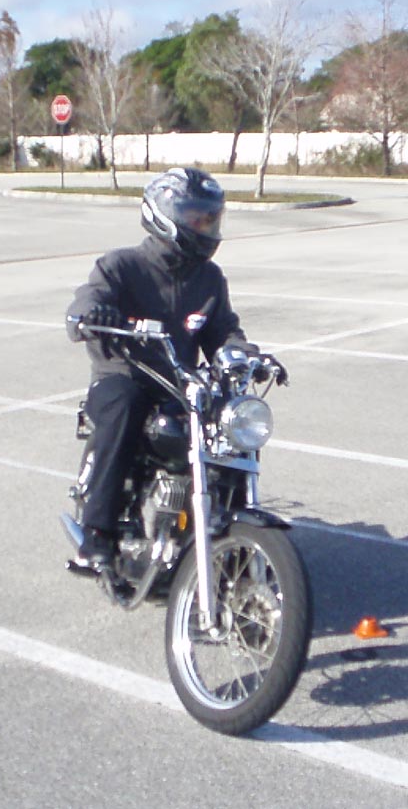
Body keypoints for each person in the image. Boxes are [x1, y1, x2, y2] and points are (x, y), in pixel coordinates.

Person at [65, 167, 261, 566]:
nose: (205, 227)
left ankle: (231, 525)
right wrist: (90, 315)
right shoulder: (121, 266)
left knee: (232, 423)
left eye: (210, 218)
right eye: (196, 218)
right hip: (123, 374)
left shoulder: (209, 278)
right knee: (124, 406)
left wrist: (243, 354)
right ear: (164, 217)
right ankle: (99, 530)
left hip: (178, 385)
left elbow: (223, 331)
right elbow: (88, 300)